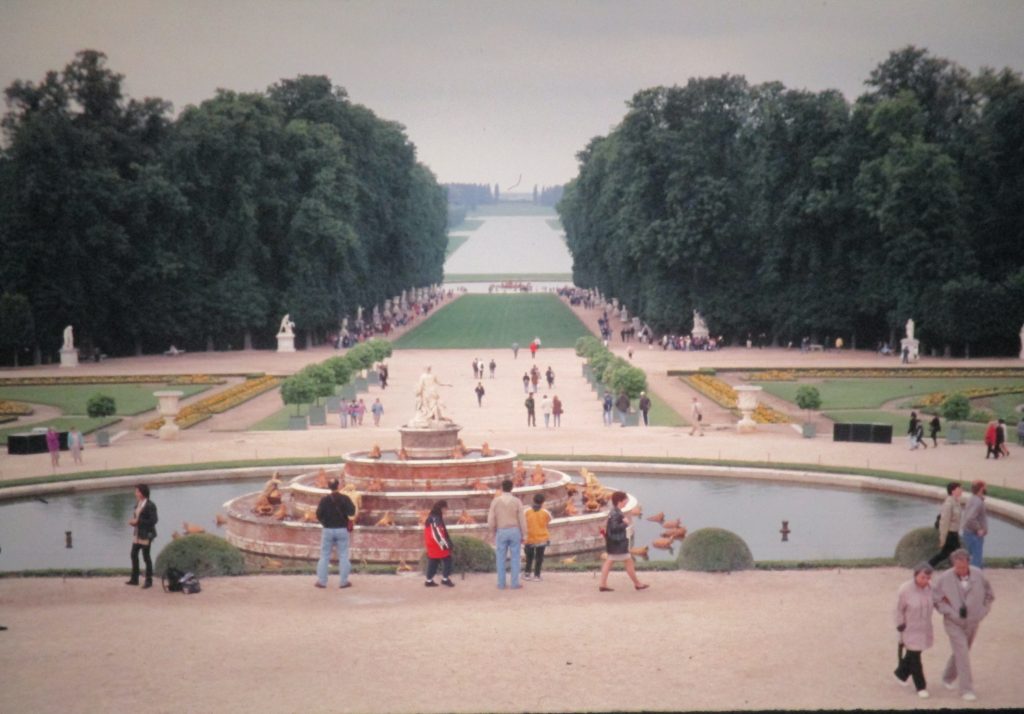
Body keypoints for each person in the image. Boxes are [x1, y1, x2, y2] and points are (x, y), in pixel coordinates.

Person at [932, 549, 995, 702]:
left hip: (973, 622)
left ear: (968, 562)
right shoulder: (944, 578)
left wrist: (983, 611)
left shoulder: (979, 574)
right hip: (953, 623)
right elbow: (936, 599)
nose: (960, 570)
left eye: (962, 567)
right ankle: (966, 689)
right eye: (956, 567)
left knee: (962, 651)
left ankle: (947, 677)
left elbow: (990, 595)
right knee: (963, 653)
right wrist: (949, 612)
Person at [893, 562, 935, 698]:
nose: (925, 580)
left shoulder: (931, 588)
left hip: (924, 628)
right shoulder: (905, 589)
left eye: (928, 578)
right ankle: (921, 686)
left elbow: (938, 602)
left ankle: (901, 673)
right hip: (910, 627)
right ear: (916, 575)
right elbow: (898, 609)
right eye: (923, 577)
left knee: (913, 654)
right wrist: (900, 623)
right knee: (915, 657)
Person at [598, 491, 648, 592]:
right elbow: (614, 527)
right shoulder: (616, 513)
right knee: (627, 561)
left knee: (610, 562)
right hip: (618, 544)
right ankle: (637, 584)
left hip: (614, 543)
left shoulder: (615, 512)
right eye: (625, 500)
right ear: (620, 501)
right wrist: (625, 523)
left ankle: (603, 584)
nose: (626, 502)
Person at [314, 478, 356, 589]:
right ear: (339, 485)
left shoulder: (324, 500)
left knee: (324, 556)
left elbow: (318, 514)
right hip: (342, 529)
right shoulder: (345, 498)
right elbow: (352, 511)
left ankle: (322, 582)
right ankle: (343, 582)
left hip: (328, 529)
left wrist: (324, 523)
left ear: (328, 486)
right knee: (343, 556)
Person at [487, 479, 527, 590]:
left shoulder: (495, 501)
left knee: (500, 558)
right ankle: (514, 583)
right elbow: (522, 519)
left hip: (501, 530)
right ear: (512, 488)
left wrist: (492, 530)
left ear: (501, 488)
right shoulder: (517, 501)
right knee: (515, 558)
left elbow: (491, 519)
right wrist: (525, 534)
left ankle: (501, 583)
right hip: (515, 531)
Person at [126, 484, 158, 589]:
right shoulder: (138, 503)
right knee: (133, 554)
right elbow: (138, 517)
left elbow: (154, 520)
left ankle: (148, 581)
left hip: (146, 534)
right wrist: (134, 522)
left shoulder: (150, 505)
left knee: (146, 557)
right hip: (137, 534)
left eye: (137, 491)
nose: (135, 493)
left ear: (142, 493)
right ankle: (134, 579)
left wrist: (138, 521)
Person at [929, 482, 963, 567]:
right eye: (959, 489)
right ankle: (928, 566)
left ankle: (928, 566)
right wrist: (943, 538)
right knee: (949, 554)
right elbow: (944, 522)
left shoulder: (956, 502)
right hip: (950, 535)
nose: (961, 490)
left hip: (954, 534)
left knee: (949, 554)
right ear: (953, 491)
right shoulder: (948, 504)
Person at [423, 500, 455, 587]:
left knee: (433, 561)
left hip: (432, 543)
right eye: (445, 508)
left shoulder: (433, 517)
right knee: (447, 560)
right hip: (437, 544)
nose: (446, 510)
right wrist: (446, 545)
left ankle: (429, 580)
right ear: (441, 508)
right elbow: (437, 534)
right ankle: (445, 579)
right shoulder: (435, 518)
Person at [523, 493, 552, 581]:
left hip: (530, 538)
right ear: (543, 502)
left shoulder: (527, 511)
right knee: (539, 557)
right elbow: (549, 520)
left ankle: (527, 574)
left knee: (529, 557)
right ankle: (537, 575)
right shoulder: (545, 512)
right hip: (542, 538)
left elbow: (523, 522)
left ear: (533, 500)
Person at [961, 481, 988, 568]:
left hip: (968, 533)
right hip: (974, 535)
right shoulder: (978, 502)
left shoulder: (972, 499)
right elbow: (970, 518)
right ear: (981, 489)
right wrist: (979, 529)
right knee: (976, 560)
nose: (987, 489)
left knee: (969, 557)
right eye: (985, 487)